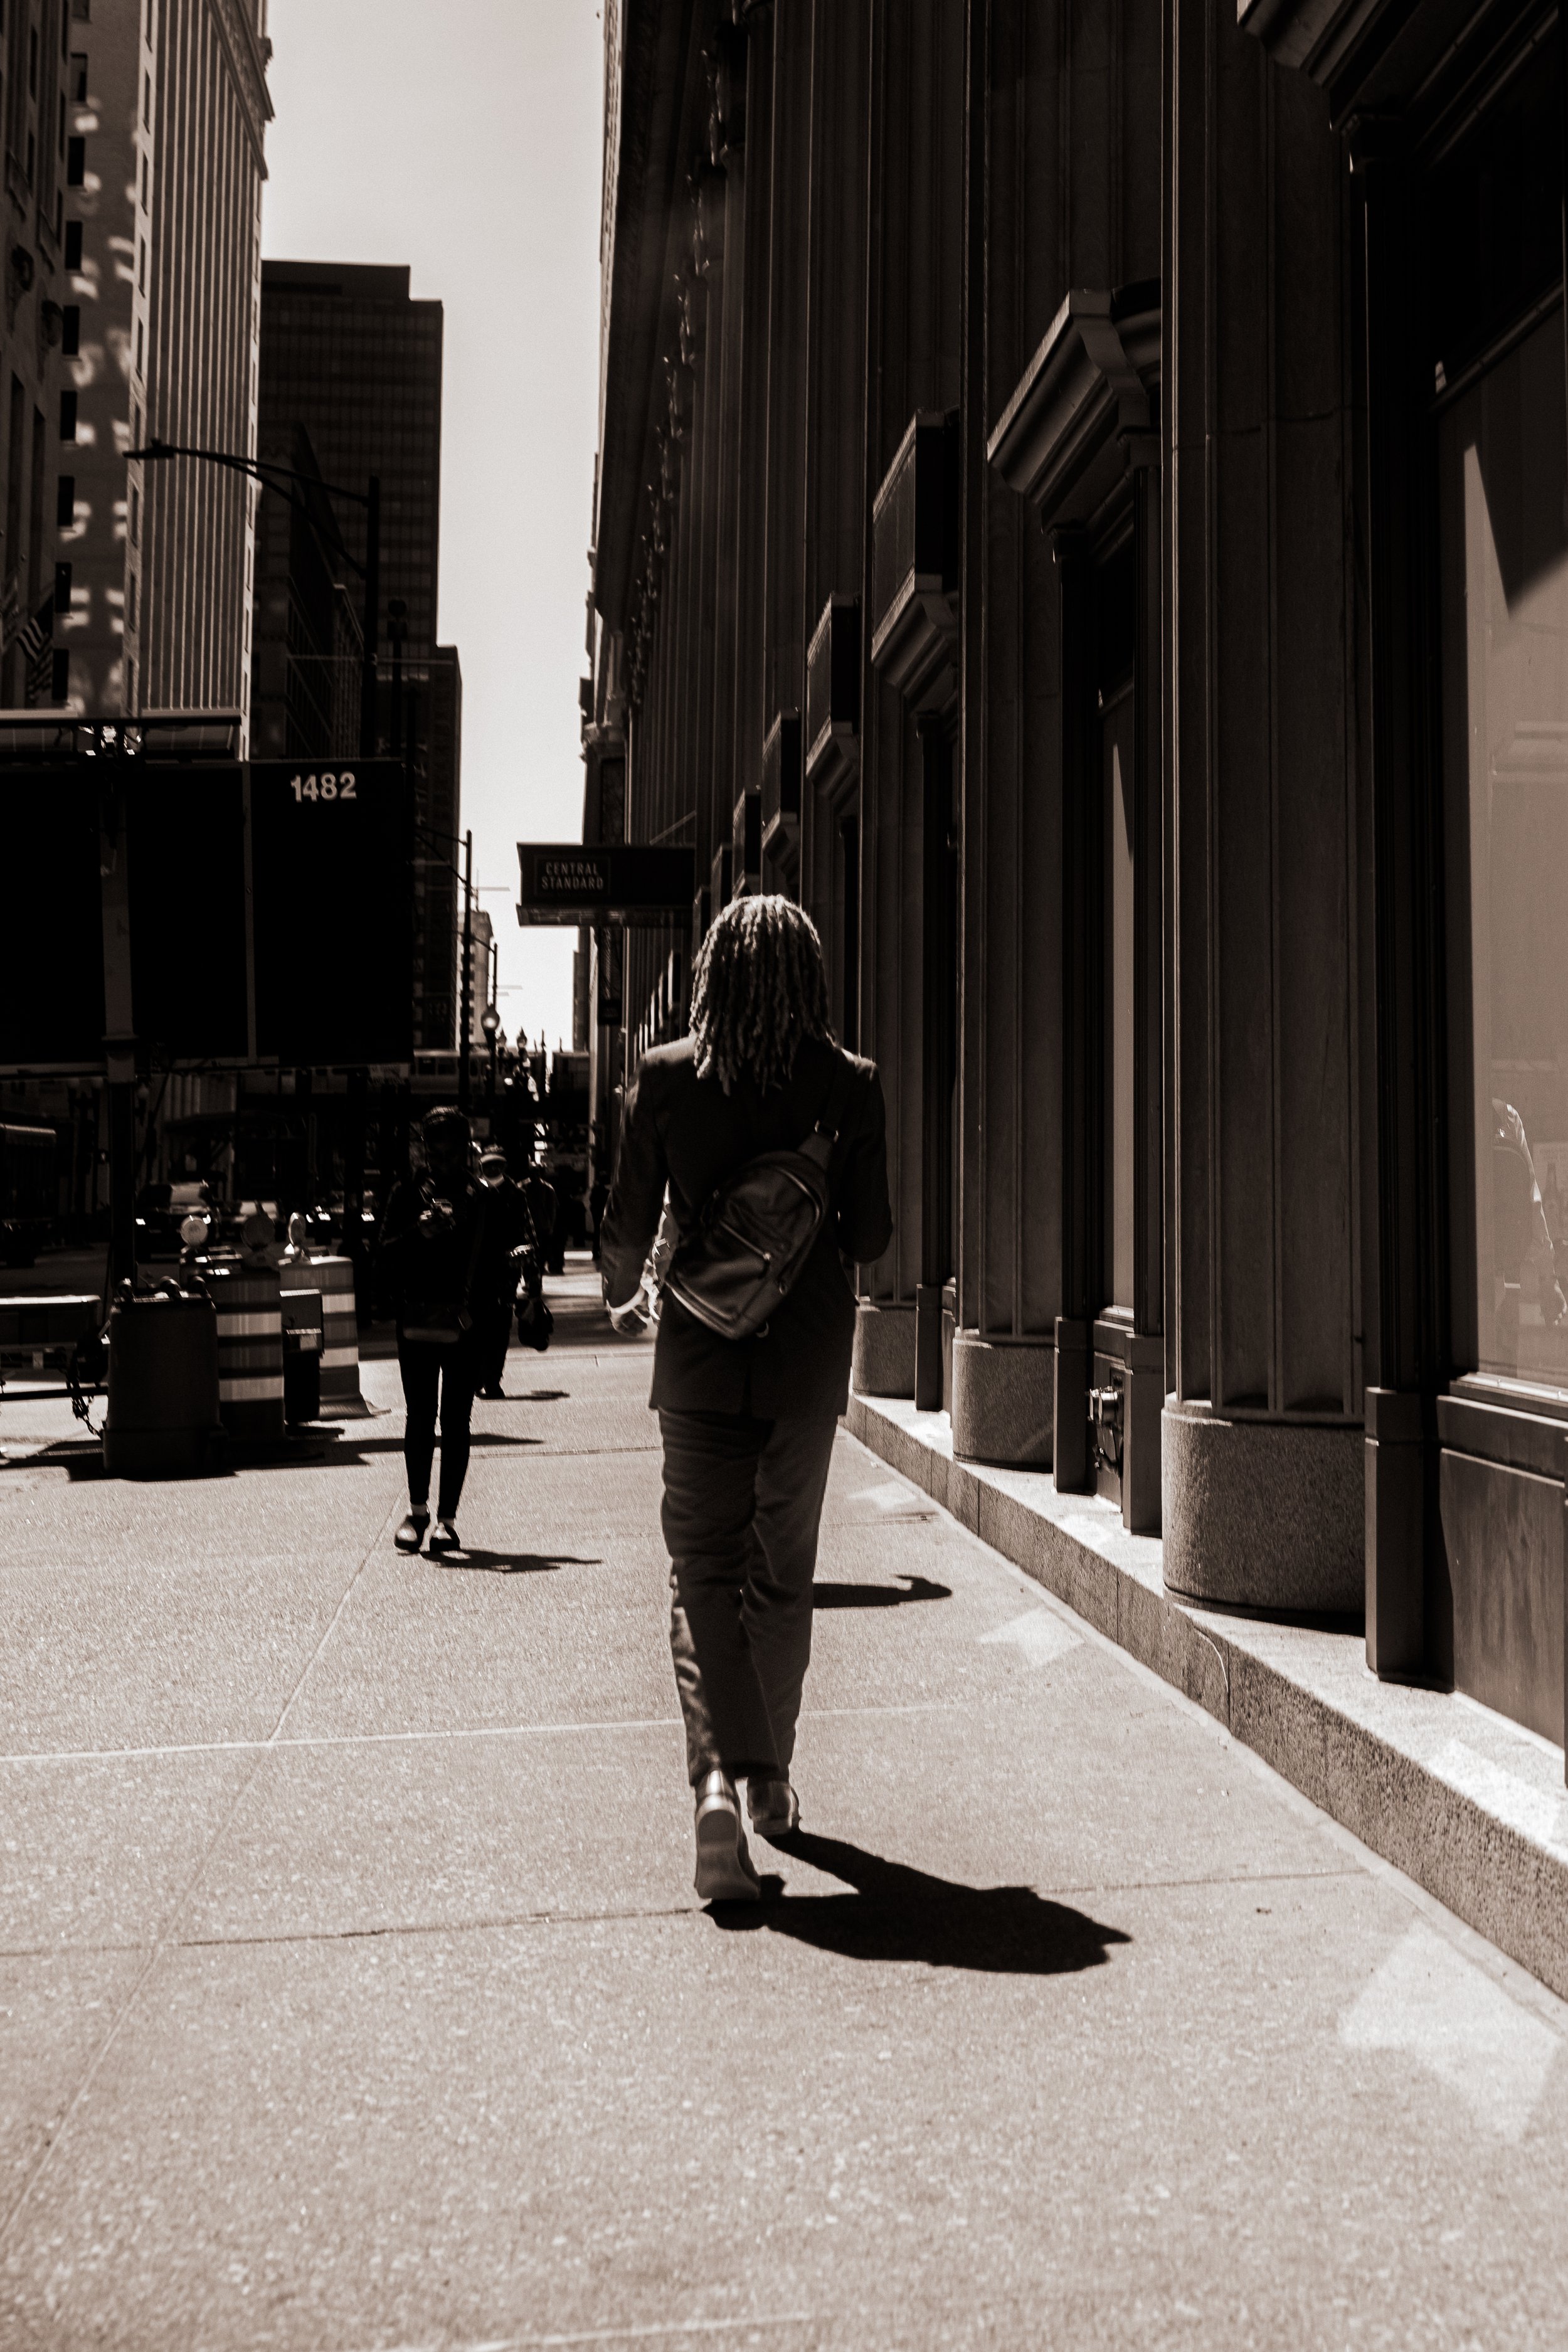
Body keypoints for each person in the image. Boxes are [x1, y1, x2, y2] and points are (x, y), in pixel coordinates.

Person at [601, 894, 893, 1904]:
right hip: (806, 1368)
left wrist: (618, 1291)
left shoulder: (670, 1075)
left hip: (697, 1363)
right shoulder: (849, 1083)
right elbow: (871, 1240)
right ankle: (770, 1783)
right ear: (810, 975)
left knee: (702, 1580)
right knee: (783, 1576)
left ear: (712, 972)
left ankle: (719, 1787)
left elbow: (628, 1219)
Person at [378, 1107, 507, 1556]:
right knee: (419, 1417)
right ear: (425, 1151)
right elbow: (385, 1254)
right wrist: (421, 1231)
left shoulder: (483, 1197)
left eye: (452, 1152)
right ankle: (417, 1513)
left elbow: (496, 1264)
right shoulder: (407, 1194)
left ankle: (447, 1521)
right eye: (435, 1152)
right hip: (415, 1319)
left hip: (467, 1323)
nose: (443, 1161)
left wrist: (502, 1303)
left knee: (456, 1421)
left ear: (467, 1149)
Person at [473, 1143, 539, 1399]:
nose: (493, 1168)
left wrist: (532, 1277)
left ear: (504, 1166)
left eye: (497, 1164)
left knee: (499, 1329)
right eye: (489, 1164)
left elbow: (529, 1234)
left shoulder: (516, 1195)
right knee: (477, 1328)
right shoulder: (472, 1192)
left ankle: (492, 1380)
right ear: (481, 1166)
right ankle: (479, 1376)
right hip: (475, 1273)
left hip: (505, 1273)